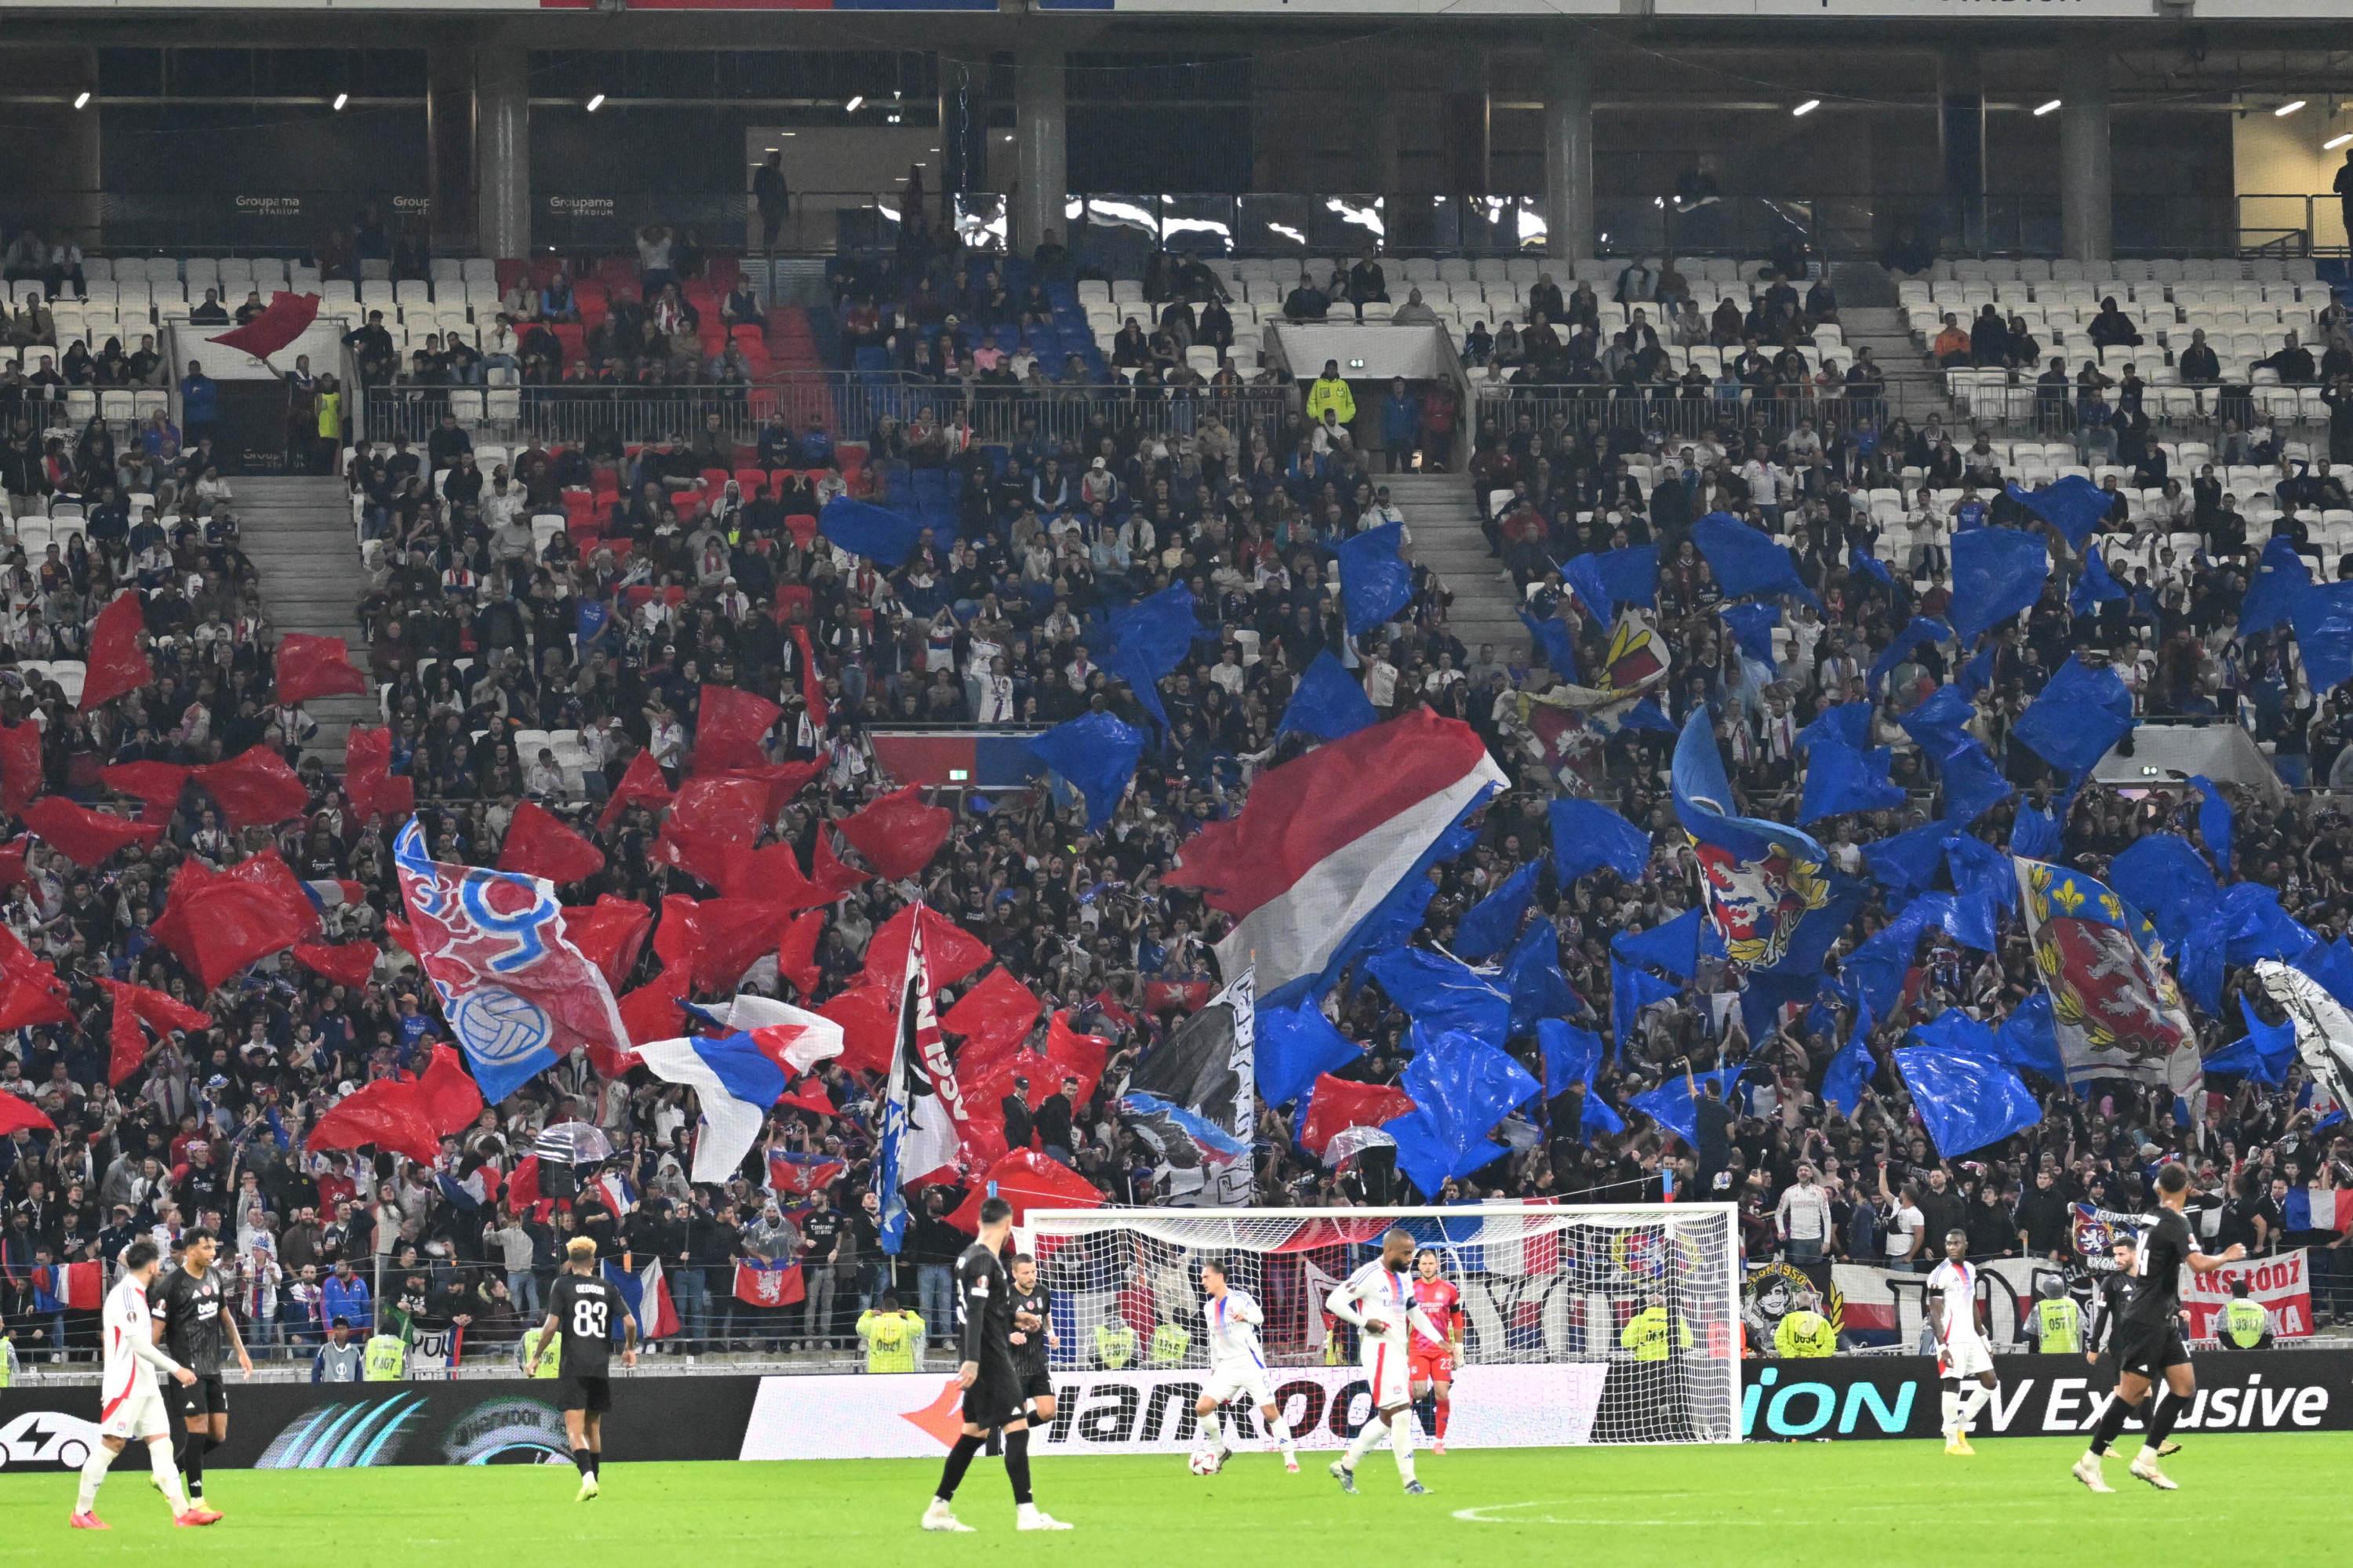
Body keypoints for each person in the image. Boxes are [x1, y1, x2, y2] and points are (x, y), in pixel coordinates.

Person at [2072, 1164, 2246, 1493]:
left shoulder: (2151, 1216)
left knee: (2183, 1386)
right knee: (2130, 1394)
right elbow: (2197, 1265)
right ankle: (2089, 1463)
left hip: (2161, 1315)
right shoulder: (2177, 1222)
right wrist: (2227, 1255)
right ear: (2189, 1188)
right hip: (2147, 1317)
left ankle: (2147, 1460)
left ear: (2158, 1188)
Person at [921, 1195, 1070, 1533]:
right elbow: (974, 1312)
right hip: (989, 1360)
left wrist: (1018, 1319)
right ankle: (1028, 1514)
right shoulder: (985, 1262)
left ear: (979, 1222)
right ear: (1006, 1225)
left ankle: (938, 1509)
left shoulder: (966, 1258)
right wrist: (973, 1361)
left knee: (975, 1432)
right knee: (1016, 1429)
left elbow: (986, 1312)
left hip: (982, 1356)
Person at [72, 1239, 209, 1531]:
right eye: (157, 1263)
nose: (159, 1267)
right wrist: (177, 1369)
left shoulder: (136, 1293)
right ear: (151, 1265)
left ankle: (182, 1512)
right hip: (126, 1382)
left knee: (161, 1442)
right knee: (113, 1443)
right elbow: (137, 1344)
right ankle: (82, 1512)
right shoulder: (126, 1296)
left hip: (144, 1382)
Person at [1323, 1227, 1438, 1496]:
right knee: (1401, 1415)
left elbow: (1413, 1310)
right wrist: (1364, 1322)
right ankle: (1410, 1483)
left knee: (1388, 1417)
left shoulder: (1404, 1276)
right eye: (1407, 1253)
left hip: (1399, 1351)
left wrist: (1439, 1340)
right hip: (1379, 1350)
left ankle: (1345, 1465)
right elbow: (1334, 1301)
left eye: (1412, 1253)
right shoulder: (1369, 1275)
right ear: (1389, 1250)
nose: (1412, 1259)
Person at [148, 1225, 250, 1515]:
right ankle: (196, 1501)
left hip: (212, 1368)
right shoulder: (170, 1286)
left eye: (214, 1248)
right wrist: (168, 1367)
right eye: (206, 1248)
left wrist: (241, 1352)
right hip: (186, 1371)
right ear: (190, 1249)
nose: (213, 1253)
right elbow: (153, 1339)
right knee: (197, 1431)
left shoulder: (215, 1276)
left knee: (217, 1436)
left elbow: (226, 1318)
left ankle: (167, 1473)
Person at [532, 1235, 639, 1501]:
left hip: (574, 1364)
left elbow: (551, 1326)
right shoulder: (607, 1287)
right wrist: (629, 1349)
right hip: (600, 1365)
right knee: (593, 1427)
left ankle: (587, 1479)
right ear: (593, 1260)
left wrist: (536, 1356)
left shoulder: (562, 1285)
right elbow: (631, 1323)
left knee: (574, 1429)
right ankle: (596, 1482)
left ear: (569, 1262)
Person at [1192, 1257, 1298, 1473]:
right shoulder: (1208, 1307)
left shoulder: (1240, 1298)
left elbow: (1260, 1317)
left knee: (1270, 1413)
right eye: (1202, 1277)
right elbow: (1214, 1339)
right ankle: (1219, 1450)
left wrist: (1245, 1316)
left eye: (1206, 1277)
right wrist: (1214, 1369)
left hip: (1250, 1364)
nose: (1202, 1281)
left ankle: (1290, 1459)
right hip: (1226, 1367)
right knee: (1202, 1408)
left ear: (1220, 1277)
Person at [1926, 1228, 1997, 1455]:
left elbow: (1973, 1304)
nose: (1952, 1247)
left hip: (1971, 1337)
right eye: (1948, 1244)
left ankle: (1962, 1426)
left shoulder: (1970, 1269)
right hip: (1951, 1338)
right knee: (1952, 1384)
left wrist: (1983, 1336)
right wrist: (1942, 1345)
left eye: (1956, 1243)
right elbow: (1934, 1314)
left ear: (1966, 1245)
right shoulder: (1939, 1274)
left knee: (1990, 1381)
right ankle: (1950, 1442)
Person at [1407, 1247, 1463, 1454]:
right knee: (1419, 1391)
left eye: (1431, 1263)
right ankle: (1401, 1433)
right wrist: (1402, 1350)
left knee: (1441, 1393)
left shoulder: (1449, 1289)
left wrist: (1459, 1347)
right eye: (1424, 1264)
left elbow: (1457, 1318)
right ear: (1419, 1266)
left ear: (1436, 1265)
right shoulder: (1411, 1290)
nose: (1427, 1267)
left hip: (1441, 1351)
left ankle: (1439, 1442)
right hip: (1418, 1349)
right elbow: (1405, 1320)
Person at [1006, 1253, 1059, 1427]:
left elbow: (1045, 1317)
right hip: (1014, 1366)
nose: (1031, 1277)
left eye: (1033, 1272)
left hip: (1037, 1363)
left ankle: (1011, 1426)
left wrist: (1051, 1333)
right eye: (1025, 1273)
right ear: (1014, 1274)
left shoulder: (1043, 1292)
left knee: (1048, 1413)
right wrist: (1009, 1336)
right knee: (1018, 1419)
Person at [858, 1292, 925, 1373]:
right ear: (897, 1310)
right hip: (903, 1373)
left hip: (877, 1374)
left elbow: (860, 1326)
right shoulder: (906, 1326)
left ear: (882, 1310)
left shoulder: (873, 1326)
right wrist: (909, 1314)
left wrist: (869, 1313)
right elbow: (920, 1326)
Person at [1773, 1288, 1836, 1358]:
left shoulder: (1787, 1320)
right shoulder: (1822, 1321)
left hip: (1792, 1365)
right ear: (1811, 1303)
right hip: (1817, 1365)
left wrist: (1794, 1356)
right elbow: (1830, 1344)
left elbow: (1780, 1341)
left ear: (1796, 1303)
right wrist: (1817, 1357)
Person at [2027, 1277, 2082, 1355]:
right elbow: (2080, 1330)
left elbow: (2032, 1336)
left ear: (2045, 1291)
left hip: (2048, 1354)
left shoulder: (2040, 1307)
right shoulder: (2073, 1304)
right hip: (2071, 1352)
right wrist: (2079, 1352)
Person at [2217, 1278, 2273, 1351]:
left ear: (2232, 1293)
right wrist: (2256, 1350)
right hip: (2257, 1356)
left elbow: (2222, 1333)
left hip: (2233, 1355)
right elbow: (2268, 1334)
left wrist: (2236, 1349)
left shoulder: (2227, 1309)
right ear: (2248, 1292)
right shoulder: (2261, 1309)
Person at [754, 150, 791, 253]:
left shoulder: (778, 176)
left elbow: (783, 193)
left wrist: (786, 209)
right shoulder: (765, 173)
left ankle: (770, 249)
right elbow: (757, 188)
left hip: (775, 206)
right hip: (769, 205)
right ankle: (768, 250)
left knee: (773, 229)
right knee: (770, 227)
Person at [312, 1317, 364, 1381]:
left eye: (343, 1328)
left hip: (349, 1390)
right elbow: (316, 1373)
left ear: (348, 1331)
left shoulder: (355, 1351)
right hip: (329, 1390)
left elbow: (359, 1377)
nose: (340, 1331)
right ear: (333, 1331)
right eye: (337, 1329)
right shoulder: (325, 1349)